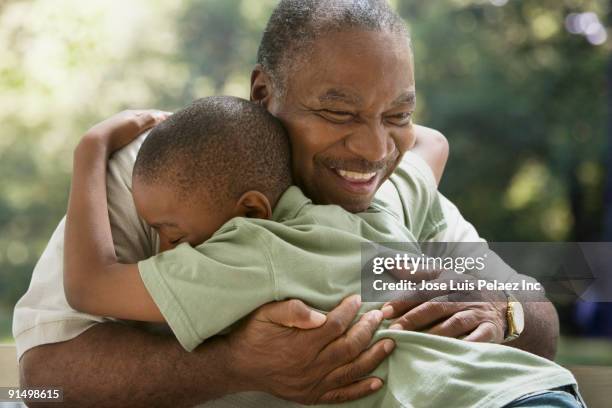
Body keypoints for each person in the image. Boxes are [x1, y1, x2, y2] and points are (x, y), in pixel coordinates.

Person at [14, 1, 561, 407]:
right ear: (262, 94)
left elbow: (541, 313)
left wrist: (501, 312)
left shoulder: (393, 197)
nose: (373, 149)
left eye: (397, 116)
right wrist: (231, 367)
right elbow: (43, 379)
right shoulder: (162, 177)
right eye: (340, 113)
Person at [64, 96, 579, 408]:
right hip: (542, 389)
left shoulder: (246, 249)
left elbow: (89, 285)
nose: (165, 249)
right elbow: (434, 144)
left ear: (250, 212)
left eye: (172, 234)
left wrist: (90, 150)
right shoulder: (377, 204)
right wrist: (380, 125)